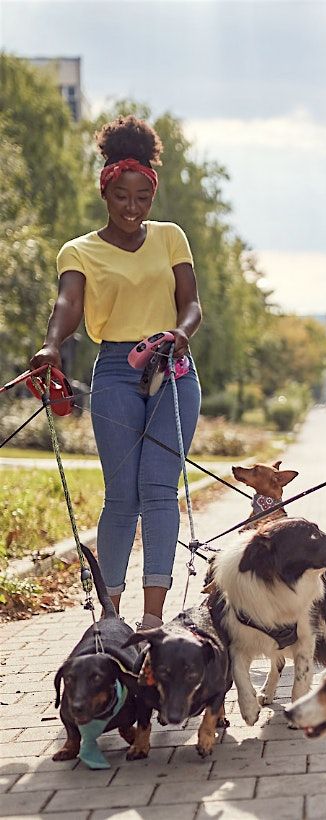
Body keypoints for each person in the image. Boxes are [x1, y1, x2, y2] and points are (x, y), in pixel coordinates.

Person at [30, 115, 203, 629]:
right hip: (115, 371)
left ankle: (152, 620)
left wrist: (182, 334)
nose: (132, 209)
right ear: (106, 192)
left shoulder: (171, 237)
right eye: (122, 198)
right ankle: (110, 614)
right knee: (122, 494)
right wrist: (50, 345)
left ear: (152, 195)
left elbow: (191, 304)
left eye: (143, 199)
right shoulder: (79, 250)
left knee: (159, 489)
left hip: (172, 366)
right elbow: (68, 300)